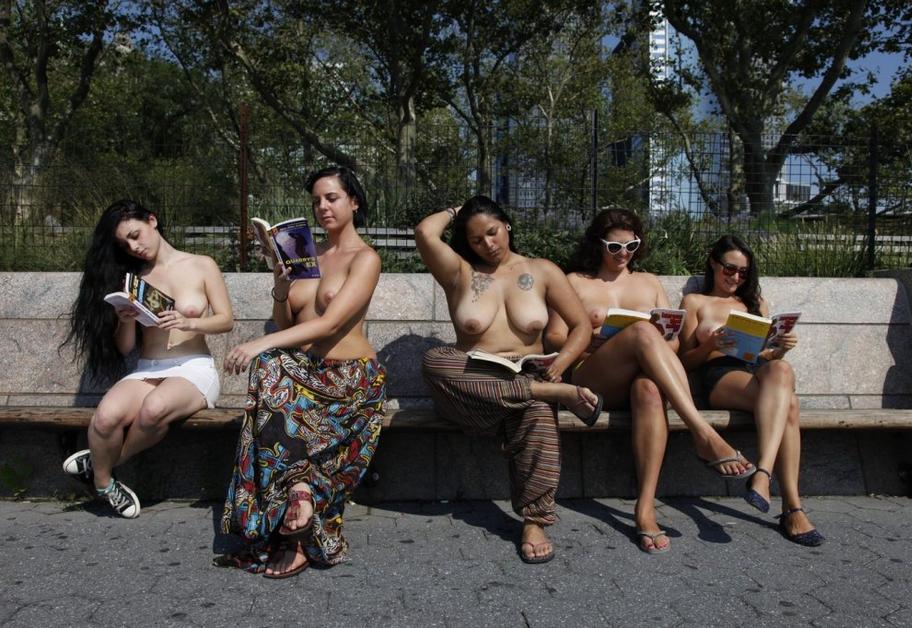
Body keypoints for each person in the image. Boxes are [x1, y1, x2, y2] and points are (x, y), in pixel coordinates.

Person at [546, 209, 755, 554]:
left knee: (649, 388)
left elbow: (673, 343)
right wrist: (590, 339)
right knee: (642, 330)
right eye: (615, 247)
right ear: (598, 244)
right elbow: (553, 336)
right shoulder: (575, 281)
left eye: (631, 246)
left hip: (642, 378)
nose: (623, 254)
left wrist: (658, 339)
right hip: (594, 377)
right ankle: (702, 433)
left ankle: (645, 508)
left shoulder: (649, 282)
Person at [217, 165, 385, 579]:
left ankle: (292, 526)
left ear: (353, 202)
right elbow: (289, 323)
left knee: (268, 363)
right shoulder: (305, 254)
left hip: (349, 380)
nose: (323, 206)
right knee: (271, 368)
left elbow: (330, 324)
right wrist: (280, 287)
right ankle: (300, 494)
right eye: (316, 201)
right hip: (303, 376)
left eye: (332, 198)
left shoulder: (365, 258)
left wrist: (259, 343)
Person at [416, 196, 602, 565]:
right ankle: (545, 392)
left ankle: (535, 522)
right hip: (475, 384)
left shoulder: (542, 270)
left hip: (529, 373)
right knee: (434, 360)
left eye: (492, 232)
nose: (487, 244)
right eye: (476, 239)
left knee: (537, 412)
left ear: (507, 225)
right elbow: (424, 232)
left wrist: (562, 363)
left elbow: (581, 325)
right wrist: (458, 210)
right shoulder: (459, 272)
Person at [61, 200, 234, 518]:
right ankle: (104, 484)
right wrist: (125, 319)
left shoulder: (201, 265)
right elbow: (127, 348)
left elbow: (226, 321)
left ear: (152, 221)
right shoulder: (134, 278)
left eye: (135, 235)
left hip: (193, 368)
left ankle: (101, 464)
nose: (134, 247)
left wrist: (190, 323)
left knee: (154, 408)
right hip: (148, 368)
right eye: (125, 244)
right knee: (105, 417)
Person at [679, 235, 824, 546]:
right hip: (720, 374)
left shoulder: (756, 303)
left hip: (758, 372)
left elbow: (765, 356)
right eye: (730, 269)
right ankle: (792, 508)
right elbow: (684, 361)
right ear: (713, 263)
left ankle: (763, 474)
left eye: (743, 273)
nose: (736, 277)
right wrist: (710, 344)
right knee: (790, 406)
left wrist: (781, 349)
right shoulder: (695, 303)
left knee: (782, 370)